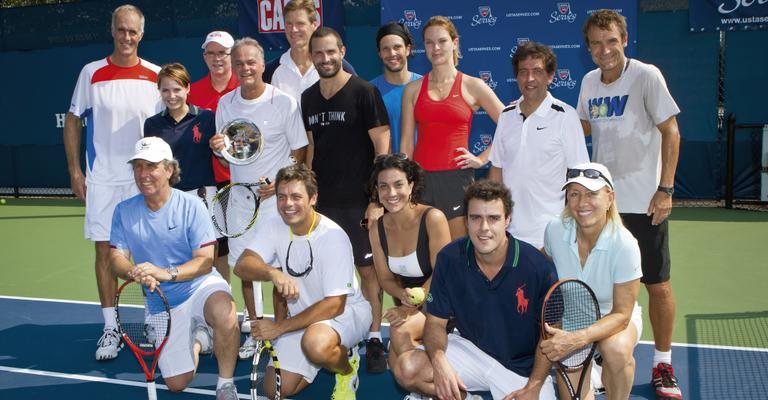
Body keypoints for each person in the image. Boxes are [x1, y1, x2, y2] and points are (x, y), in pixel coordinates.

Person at [577, 10, 682, 399]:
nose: (605, 50)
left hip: (644, 203)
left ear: (624, 40)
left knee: (657, 285)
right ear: (588, 49)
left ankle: (663, 362)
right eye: (597, 44)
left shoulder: (646, 76)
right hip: (603, 205)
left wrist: (665, 189)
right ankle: (606, 354)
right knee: (606, 283)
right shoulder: (589, 82)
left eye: (611, 41)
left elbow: (671, 131)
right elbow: (581, 127)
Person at [394, 180, 557, 400]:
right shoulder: (449, 258)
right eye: (476, 218)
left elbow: (551, 335)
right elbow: (435, 323)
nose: (484, 228)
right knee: (408, 368)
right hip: (471, 350)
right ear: (466, 221)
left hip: (521, 369)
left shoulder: (537, 266)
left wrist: (534, 386)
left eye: (494, 218)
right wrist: (439, 360)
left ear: (507, 220)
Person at [63, 4, 161, 361]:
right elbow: (73, 120)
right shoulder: (91, 73)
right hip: (102, 180)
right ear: (113, 30)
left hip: (144, 179)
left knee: (147, 249)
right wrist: (76, 171)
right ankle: (110, 327)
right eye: (121, 30)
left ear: (141, 33)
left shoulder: (154, 75)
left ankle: (152, 319)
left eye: (133, 31)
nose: (127, 37)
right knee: (104, 251)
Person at [110, 136, 239, 400]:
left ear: (169, 170)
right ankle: (201, 338)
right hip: (161, 302)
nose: (143, 174)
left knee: (225, 313)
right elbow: (116, 258)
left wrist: (164, 273)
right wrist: (133, 271)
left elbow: (205, 261)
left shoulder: (192, 205)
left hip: (200, 286)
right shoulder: (124, 211)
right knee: (176, 384)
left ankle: (226, 384)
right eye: (138, 167)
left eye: (151, 166)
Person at [233, 164, 371, 399]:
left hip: (345, 314)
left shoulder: (333, 237)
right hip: (302, 320)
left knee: (316, 343)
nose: (288, 204)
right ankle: (321, 356)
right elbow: (242, 266)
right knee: (275, 391)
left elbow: (335, 305)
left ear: (313, 198)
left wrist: (279, 327)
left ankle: (346, 368)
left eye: (296, 196)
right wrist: (273, 273)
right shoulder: (274, 225)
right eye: (282, 197)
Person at [210, 37, 309, 360]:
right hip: (240, 201)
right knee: (245, 269)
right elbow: (230, 157)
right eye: (238, 63)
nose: (245, 68)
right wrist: (218, 150)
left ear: (262, 64)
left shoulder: (283, 102)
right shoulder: (225, 104)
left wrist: (280, 184)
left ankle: (279, 331)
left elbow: (299, 150)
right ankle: (254, 329)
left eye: (250, 62)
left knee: (280, 268)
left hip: (277, 202)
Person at [301, 27, 390, 373]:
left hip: (358, 203)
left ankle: (373, 337)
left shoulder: (365, 92)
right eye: (318, 54)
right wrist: (309, 197)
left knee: (368, 272)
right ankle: (334, 331)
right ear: (312, 57)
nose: (325, 59)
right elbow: (310, 151)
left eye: (331, 52)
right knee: (328, 276)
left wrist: (375, 199)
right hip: (323, 205)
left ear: (343, 51)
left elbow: (383, 148)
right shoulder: (308, 98)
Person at [541, 162, 643, 400]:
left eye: (591, 193)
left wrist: (577, 340)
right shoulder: (555, 230)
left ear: (610, 198)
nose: (581, 202)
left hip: (613, 322)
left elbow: (622, 314)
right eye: (574, 194)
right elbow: (540, 262)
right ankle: (593, 371)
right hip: (571, 322)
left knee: (615, 350)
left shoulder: (625, 245)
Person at [401, 15, 504, 240]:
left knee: (459, 251)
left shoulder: (473, 85)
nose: (435, 48)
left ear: (454, 43)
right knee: (427, 254)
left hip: (456, 180)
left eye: (442, 41)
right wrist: (405, 181)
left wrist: (483, 158)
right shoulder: (412, 89)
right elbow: (406, 142)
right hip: (420, 180)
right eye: (429, 42)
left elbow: (511, 125)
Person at [487, 42, 589, 250]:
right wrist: (494, 222)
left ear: (550, 76)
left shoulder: (565, 116)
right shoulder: (506, 116)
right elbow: (497, 170)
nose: (529, 78)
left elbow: (580, 176)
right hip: (508, 234)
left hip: (551, 235)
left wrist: (564, 229)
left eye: (537, 72)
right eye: (523, 72)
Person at [368, 154, 451, 375]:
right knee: (398, 369)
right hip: (412, 309)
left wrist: (410, 305)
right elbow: (385, 279)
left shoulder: (433, 218)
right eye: (384, 186)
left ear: (411, 185)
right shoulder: (376, 229)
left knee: (400, 334)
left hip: (444, 306)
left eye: (398, 185)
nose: (391, 193)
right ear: (377, 190)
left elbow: (444, 275)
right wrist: (403, 297)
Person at [188, 30, 239, 285]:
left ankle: (254, 312)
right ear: (204, 56)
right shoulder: (192, 92)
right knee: (216, 247)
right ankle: (223, 303)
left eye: (222, 53)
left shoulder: (246, 88)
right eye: (211, 53)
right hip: (206, 184)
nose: (216, 58)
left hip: (241, 181)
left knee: (245, 247)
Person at [144, 63, 217, 206]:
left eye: (177, 89)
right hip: (167, 200)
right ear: (159, 91)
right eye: (165, 90)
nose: (171, 96)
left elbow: (223, 161)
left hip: (204, 197)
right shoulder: (152, 124)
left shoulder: (208, 118)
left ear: (188, 88)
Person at [263, 0, 356, 100]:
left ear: (314, 25)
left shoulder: (339, 66)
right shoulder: (269, 71)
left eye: (300, 23)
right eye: (289, 24)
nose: (294, 29)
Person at [370, 22, 422, 154]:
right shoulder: (369, 91)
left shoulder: (425, 86)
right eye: (385, 49)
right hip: (386, 170)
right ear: (379, 53)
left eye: (397, 47)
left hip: (424, 170)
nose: (392, 53)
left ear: (408, 49)